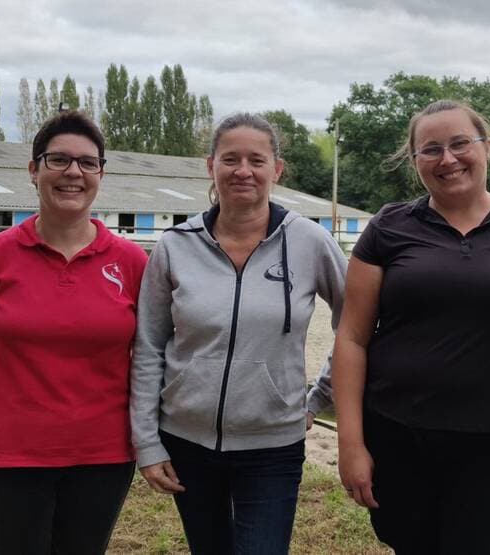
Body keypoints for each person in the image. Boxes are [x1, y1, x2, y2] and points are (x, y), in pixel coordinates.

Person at [333, 99, 490, 554]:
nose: (447, 159)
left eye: (460, 143)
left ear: (487, 147)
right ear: (414, 162)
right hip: (396, 432)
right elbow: (351, 337)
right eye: (431, 149)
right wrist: (351, 443)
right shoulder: (389, 228)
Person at [130, 112, 345, 554]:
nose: (242, 170)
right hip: (186, 440)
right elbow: (148, 345)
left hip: (273, 445)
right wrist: (147, 442)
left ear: (276, 170)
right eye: (230, 159)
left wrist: (319, 396)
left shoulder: (309, 241)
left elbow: (357, 326)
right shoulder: (176, 245)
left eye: (256, 160)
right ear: (211, 166)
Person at [0, 110, 148, 554]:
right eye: (58, 160)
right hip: (8, 453)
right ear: (34, 171)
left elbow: (149, 352)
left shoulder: (132, 263)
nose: (73, 172)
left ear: (100, 175)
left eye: (87, 163)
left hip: (102, 454)